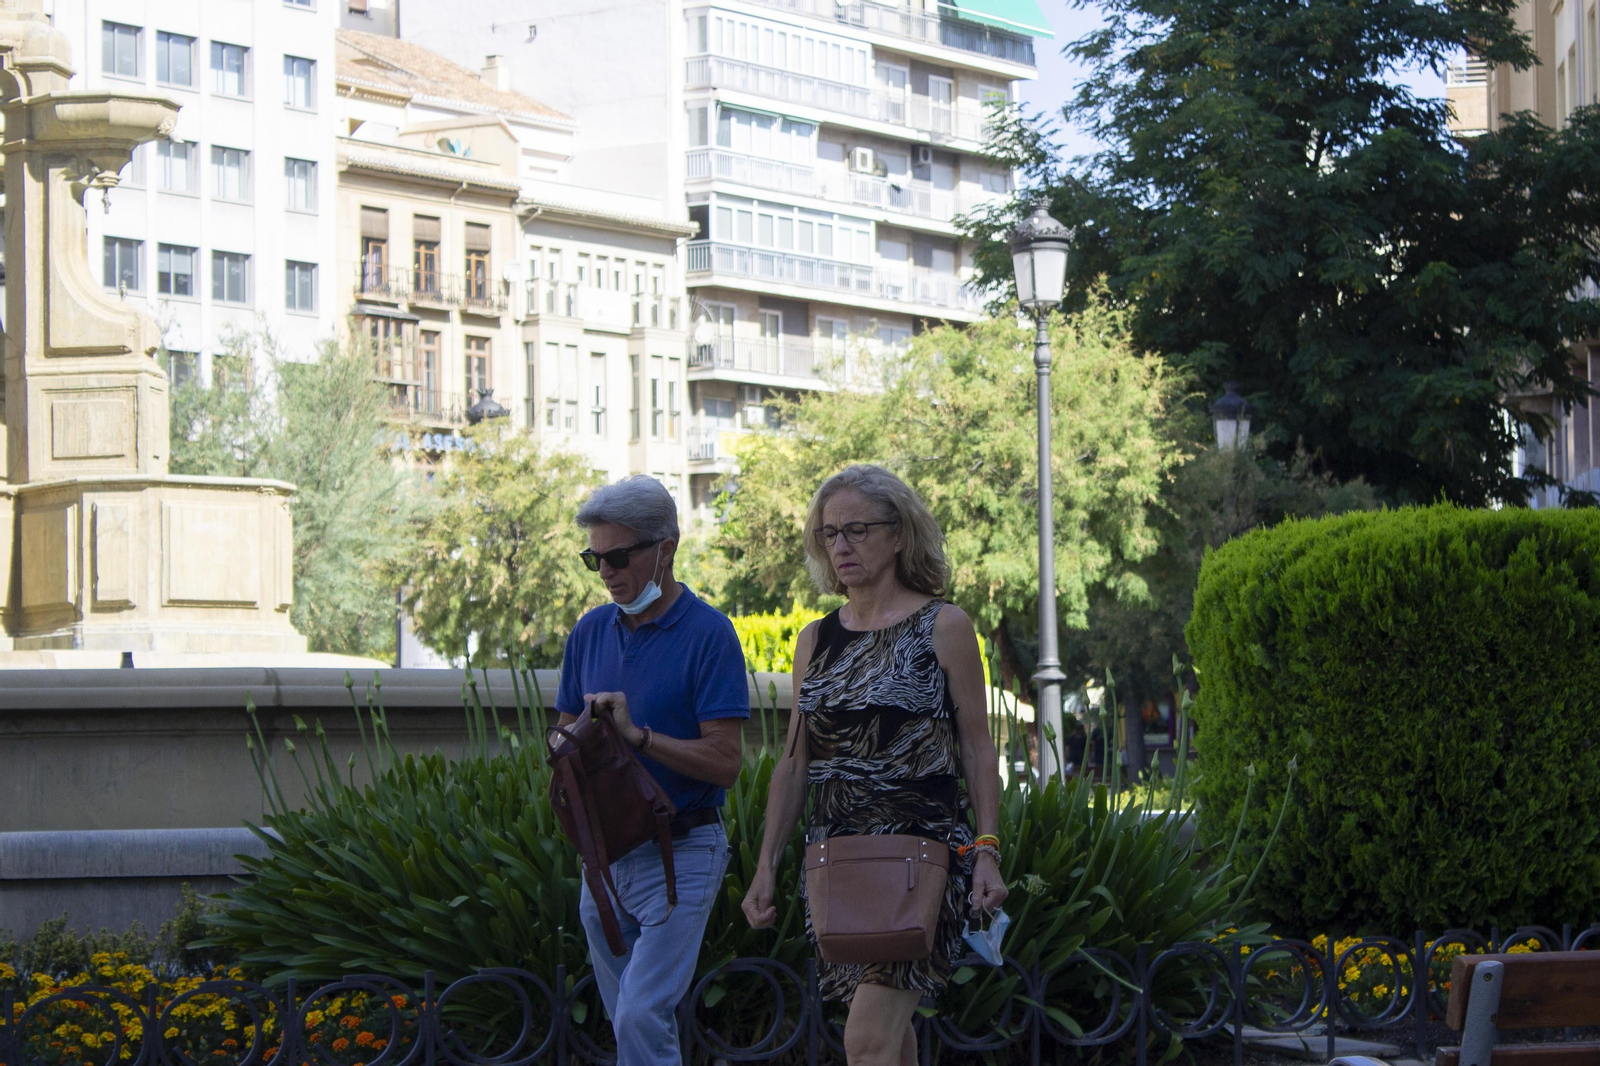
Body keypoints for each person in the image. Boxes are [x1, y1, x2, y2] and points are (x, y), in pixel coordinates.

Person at [741, 464, 1008, 1066]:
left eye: (856, 530)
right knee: (890, 1041)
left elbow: (977, 747)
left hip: (922, 862)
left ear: (898, 535)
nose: (841, 546)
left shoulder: (944, 626)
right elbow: (794, 761)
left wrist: (986, 850)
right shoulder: (814, 640)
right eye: (829, 533)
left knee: (865, 1040)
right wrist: (765, 867)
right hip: (838, 864)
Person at [556, 475, 750, 1066]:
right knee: (632, 1026)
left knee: (640, 1015)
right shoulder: (589, 630)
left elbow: (726, 763)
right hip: (607, 854)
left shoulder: (709, 634)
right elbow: (561, 735)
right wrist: (578, 738)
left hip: (684, 849)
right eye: (594, 558)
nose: (606, 572)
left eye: (618, 557)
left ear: (666, 549)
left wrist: (638, 736)